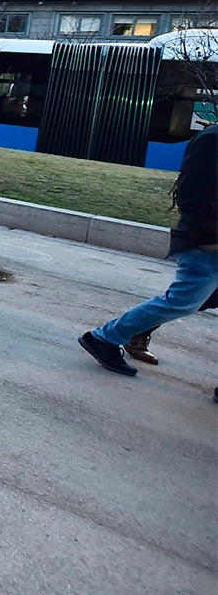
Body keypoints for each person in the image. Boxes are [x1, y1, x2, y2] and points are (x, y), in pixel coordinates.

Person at [78, 121, 217, 394]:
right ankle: (104, 338)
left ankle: (116, 336)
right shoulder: (212, 140)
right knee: (181, 301)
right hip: (206, 245)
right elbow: (193, 197)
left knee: (185, 301)